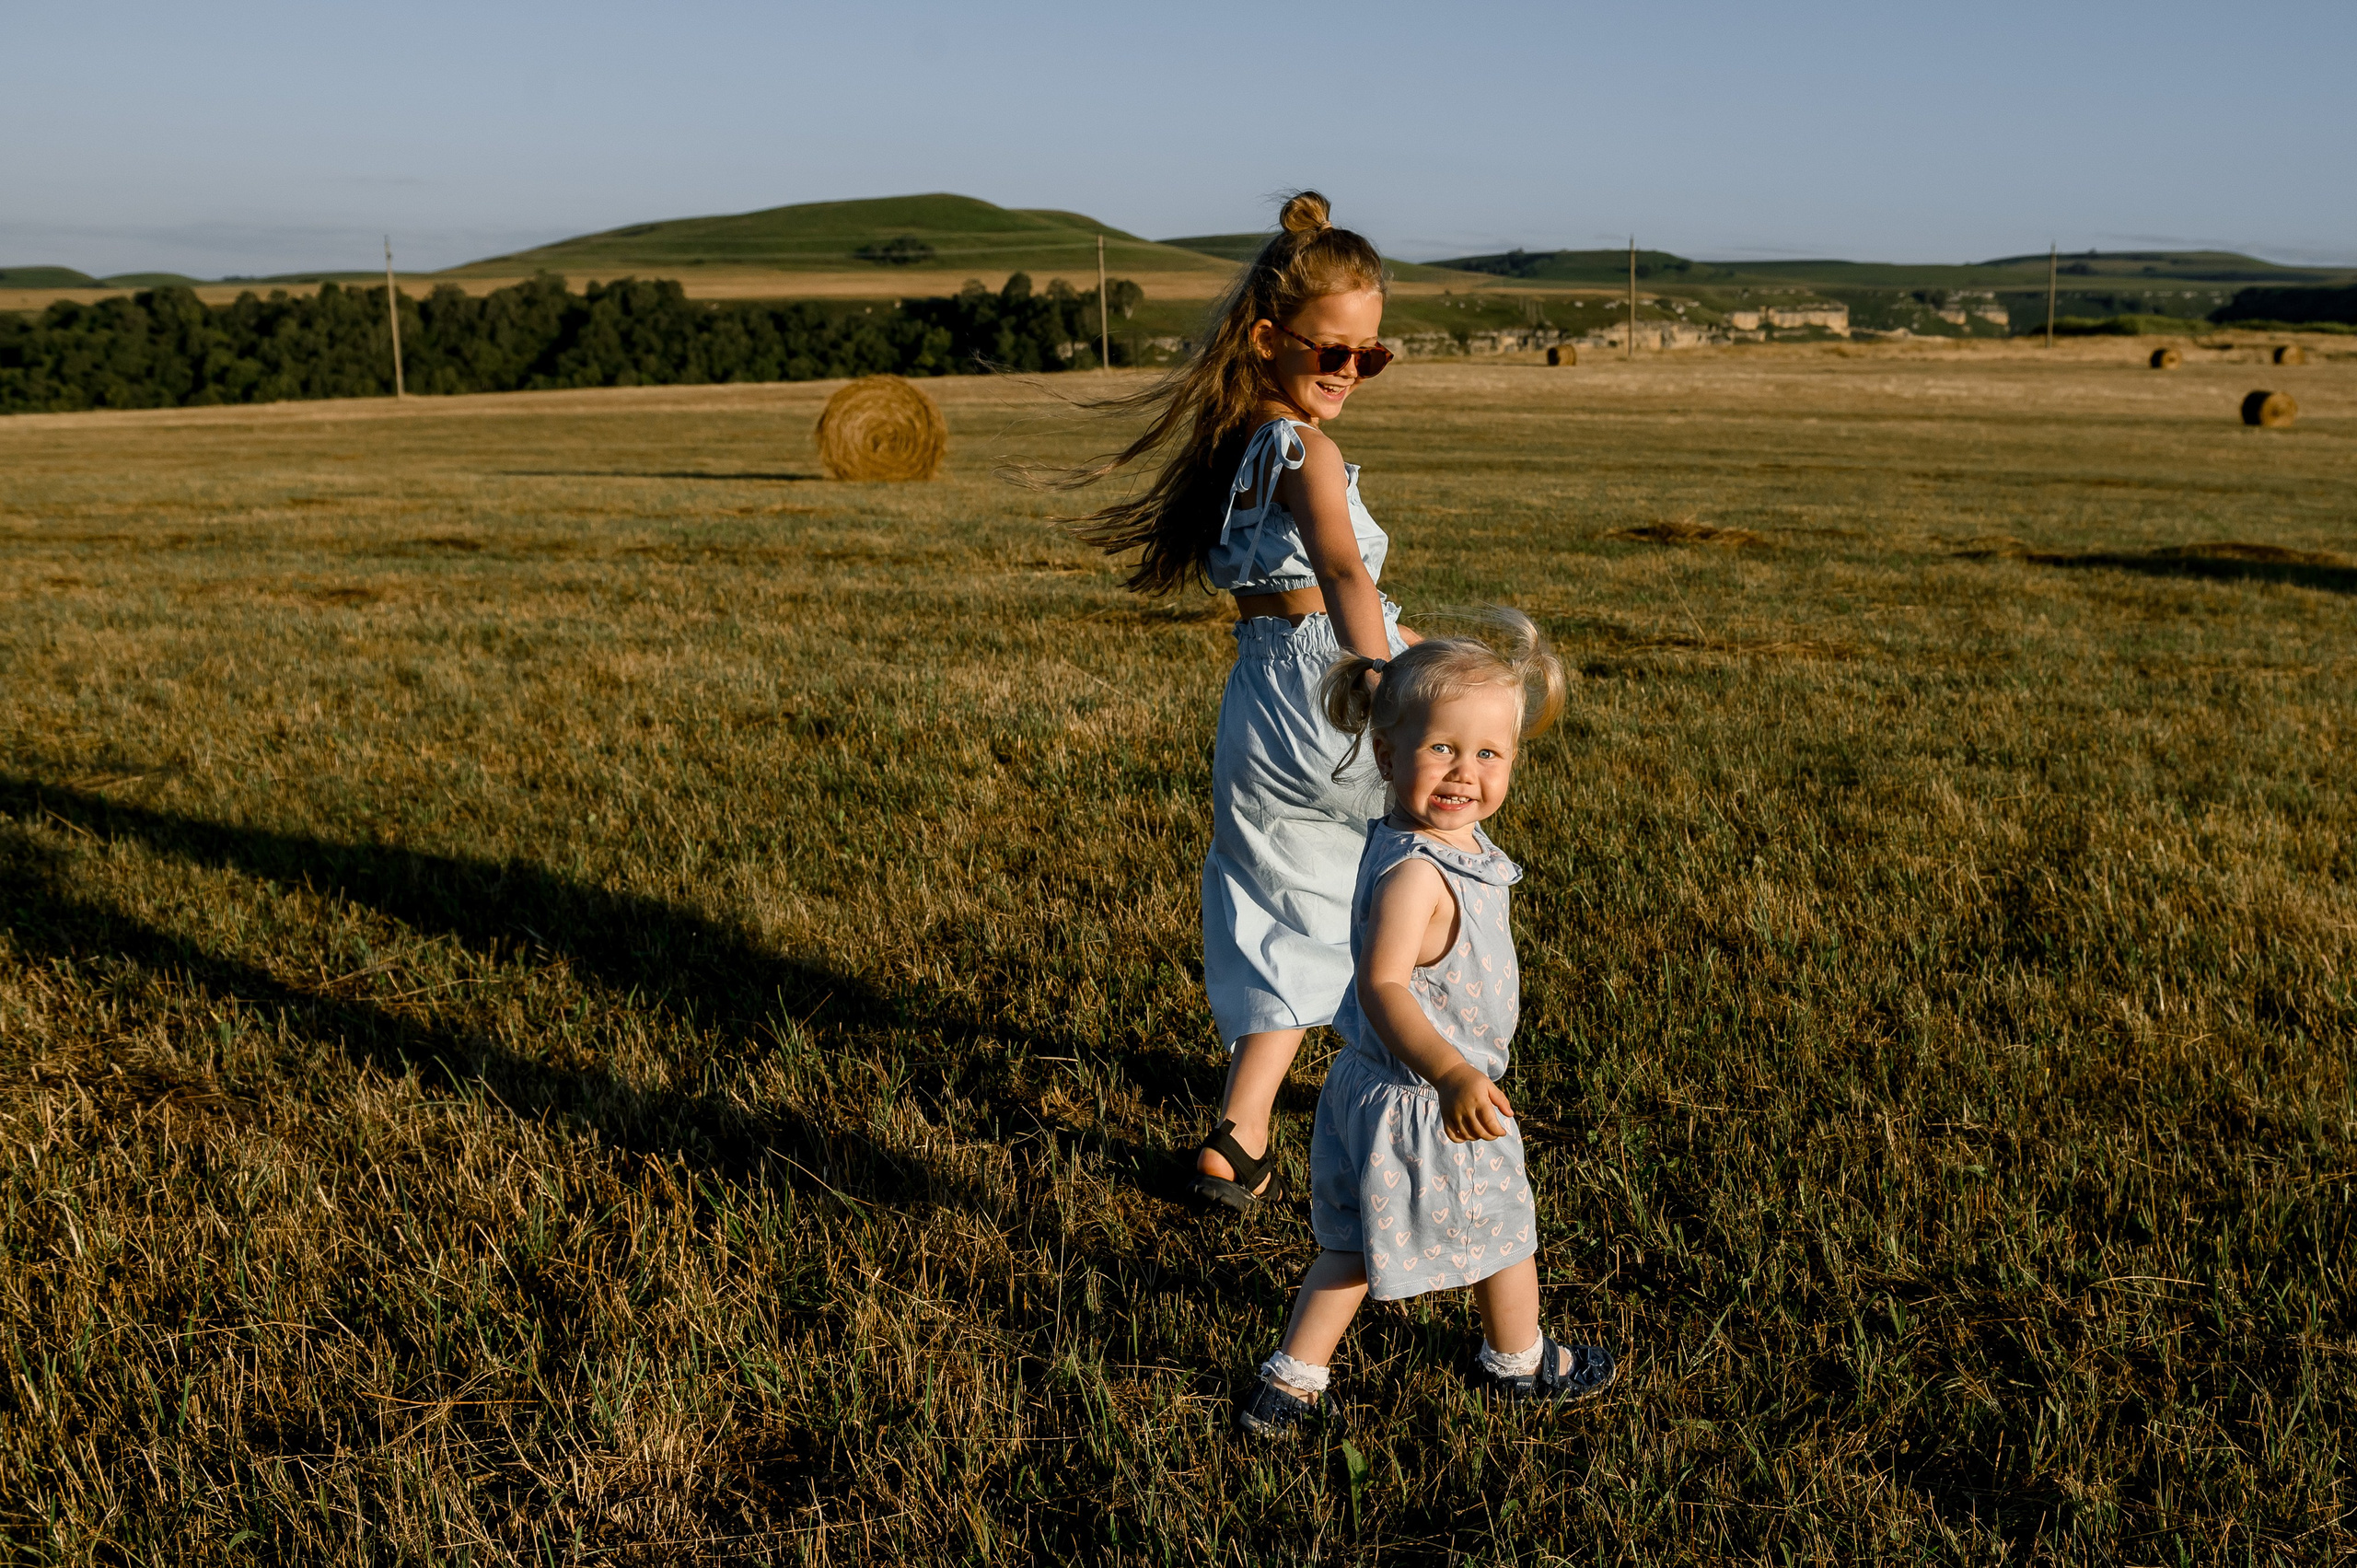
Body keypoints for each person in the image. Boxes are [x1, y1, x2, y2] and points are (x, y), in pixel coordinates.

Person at [1063, 190, 1416, 1210]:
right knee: (1405, 878)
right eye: (1332, 353)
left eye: (1371, 356)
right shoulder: (1309, 450)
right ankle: (1424, 1076)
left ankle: (1240, 1133)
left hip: (1258, 691)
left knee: (1280, 898)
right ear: (1269, 338)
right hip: (1329, 685)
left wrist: (1412, 638)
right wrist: (1386, 678)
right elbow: (1344, 580)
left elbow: (1296, 591)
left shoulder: (1238, 443)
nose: (1350, 372)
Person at [1234, 614, 1618, 1436]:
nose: (1465, 773)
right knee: (1509, 1231)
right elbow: (1381, 986)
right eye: (1442, 749)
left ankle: (1290, 1382)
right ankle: (1521, 1362)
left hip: (1371, 1091)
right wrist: (1450, 1073)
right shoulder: (1419, 874)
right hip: (1428, 1097)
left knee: (1356, 1247)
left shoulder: (1417, 840)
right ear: (1388, 756)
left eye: (1489, 754)